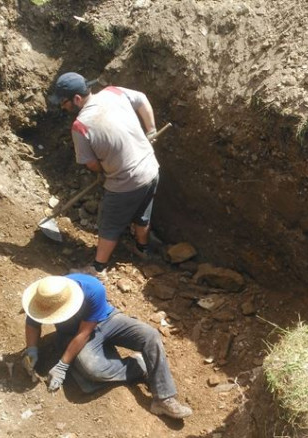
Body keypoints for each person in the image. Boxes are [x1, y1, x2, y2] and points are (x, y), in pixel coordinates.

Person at [21, 274, 193, 419]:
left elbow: (84, 333)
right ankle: (139, 366)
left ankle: (163, 399)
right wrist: (32, 350)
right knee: (93, 369)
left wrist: (62, 365)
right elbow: (32, 323)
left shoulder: (92, 288)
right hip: (71, 333)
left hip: (106, 320)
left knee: (150, 335)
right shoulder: (44, 298)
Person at [49, 72, 160, 276]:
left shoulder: (80, 126)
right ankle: (142, 249)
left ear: (76, 99)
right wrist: (151, 130)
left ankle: (98, 268)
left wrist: (105, 170)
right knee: (142, 212)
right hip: (151, 168)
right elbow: (142, 98)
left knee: (109, 224)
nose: (62, 107)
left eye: (63, 102)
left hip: (126, 182)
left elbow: (91, 164)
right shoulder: (113, 92)